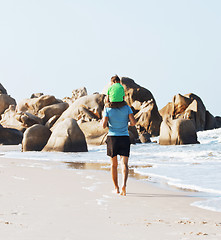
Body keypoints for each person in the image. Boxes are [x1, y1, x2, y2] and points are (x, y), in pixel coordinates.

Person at [102, 101, 137, 196]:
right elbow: (134, 122)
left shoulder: (107, 109)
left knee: (113, 165)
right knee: (124, 164)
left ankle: (116, 188)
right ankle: (124, 185)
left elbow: (104, 125)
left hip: (112, 138)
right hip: (125, 137)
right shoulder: (127, 108)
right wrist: (128, 124)